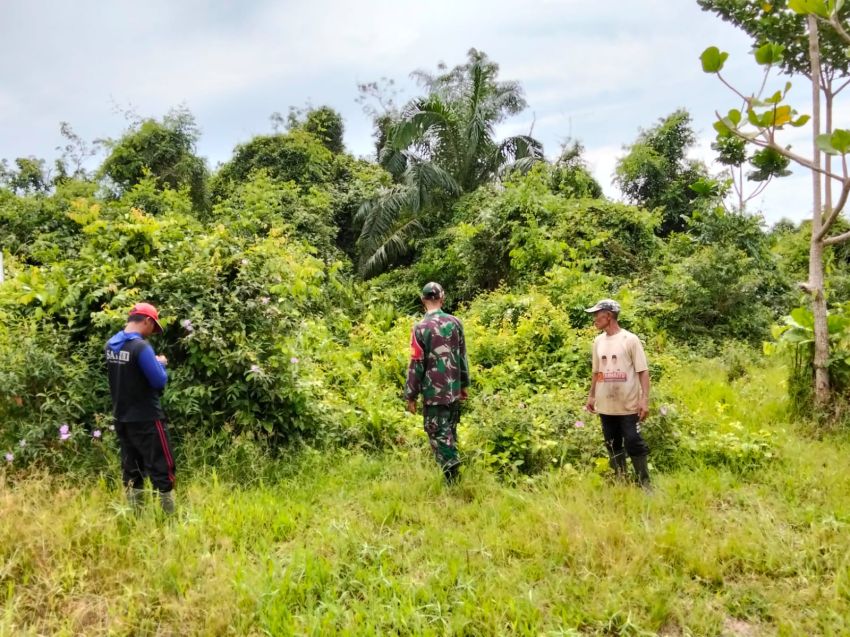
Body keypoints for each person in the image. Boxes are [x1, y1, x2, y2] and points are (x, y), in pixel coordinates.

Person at [105, 302, 176, 513]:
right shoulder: (141, 347)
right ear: (146, 320)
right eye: (152, 327)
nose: (151, 333)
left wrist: (150, 363)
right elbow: (158, 381)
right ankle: (169, 516)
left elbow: (129, 372)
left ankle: (135, 514)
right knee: (162, 466)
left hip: (122, 417)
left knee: (132, 467)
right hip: (147, 418)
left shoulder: (111, 345)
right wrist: (160, 363)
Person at [405, 282, 470, 484]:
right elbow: (462, 357)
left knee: (438, 432)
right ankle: (453, 470)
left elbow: (416, 364)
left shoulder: (420, 328)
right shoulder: (455, 323)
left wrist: (411, 395)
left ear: (423, 300)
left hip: (434, 393)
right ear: (442, 298)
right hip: (452, 389)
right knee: (450, 428)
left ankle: (452, 474)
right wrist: (464, 385)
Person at [583, 299, 652, 488]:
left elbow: (643, 371)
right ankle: (621, 480)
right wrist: (592, 396)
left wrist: (644, 400)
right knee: (612, 443)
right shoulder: (598, 341)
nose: (595, 319)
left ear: (609, 315)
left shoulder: (629, 340)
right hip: (606, 405)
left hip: (628, 404)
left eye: (597, 314)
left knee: (633, 441)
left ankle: (644, 483)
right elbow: (597, 372)